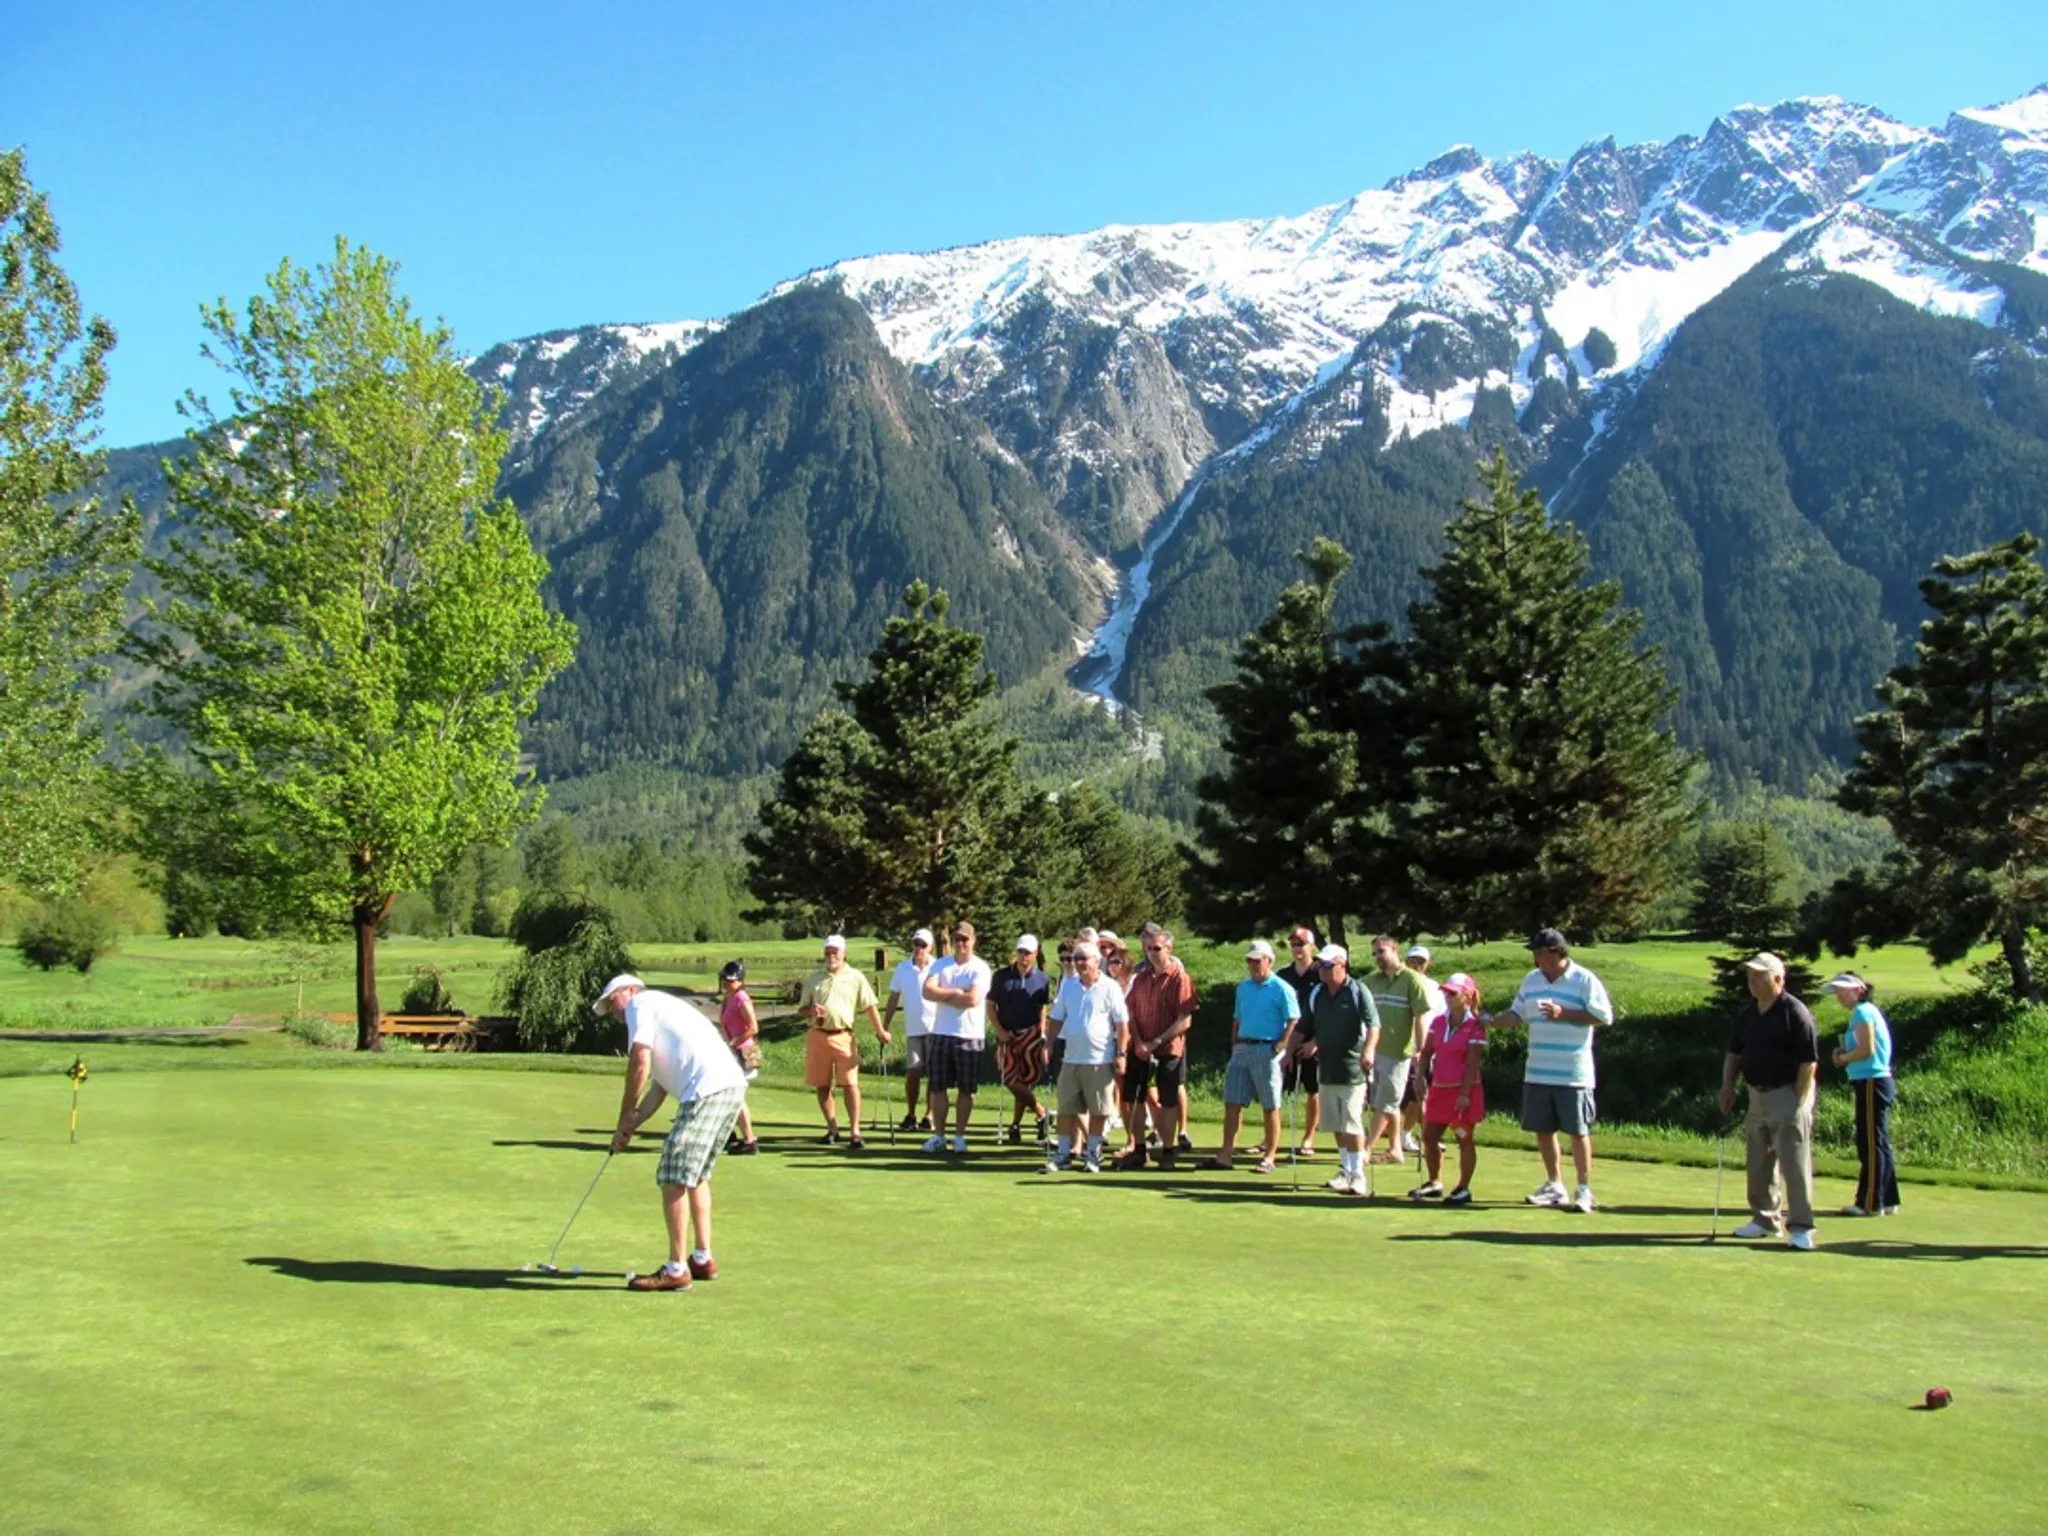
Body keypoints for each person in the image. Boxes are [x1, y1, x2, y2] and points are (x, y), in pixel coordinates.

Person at [596, 974, 749, 1292]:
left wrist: (623, 1114)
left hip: (708, 1089)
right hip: (730, 1086)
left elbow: (639, 1062)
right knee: (695, 1175)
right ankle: (702, 1258)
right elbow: (659, 1088)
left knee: (673, 1174)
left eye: (613, 1001)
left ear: (631, 990)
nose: (613, 1012)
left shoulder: (642, 1003)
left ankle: (677, 1268)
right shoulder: (661, 1010)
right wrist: (632, 1123)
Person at [1487, 928, 1613, 1213]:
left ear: (1557, 952)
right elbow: (1517, 1014)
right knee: (1543, 1130)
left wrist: (1564, 1014)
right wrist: (1491, 1022)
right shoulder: (1531, 980)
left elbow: (1604, 1017)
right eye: (1535, 952)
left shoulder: (1584, 979)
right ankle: (1555, 1185)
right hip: (1538, 1069)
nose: (1536, 957)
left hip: (1573, 1072)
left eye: (1540, 952)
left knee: (1578, 1132)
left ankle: (1584, 1189)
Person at [1718, 952, 1821, 1250]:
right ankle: (1764, 1219)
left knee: (1794, 1163)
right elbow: (1734, 1053)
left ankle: (1802, 1227)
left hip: (1788, 1093)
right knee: (1759, 1161)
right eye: (1750, 977)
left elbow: (1808, 1063)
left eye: (1759, 977)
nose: (1752, 982)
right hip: (1756, 1094)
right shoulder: (1748, 1013)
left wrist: (1798, 1101)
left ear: (1778, 979)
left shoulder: (1795, 1013)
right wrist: (1727, 1086)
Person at [1203, 939, 1300, 1173]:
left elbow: (1293, 1019)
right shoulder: (1243, 988)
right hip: (1243, 1048)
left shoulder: (1281, 988)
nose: (1253, 965)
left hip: (1267, 1049)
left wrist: (1281, 1046)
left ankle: (1269, 1157)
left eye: (1258, 961)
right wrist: (1235, 1043)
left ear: (1269, 961)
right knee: (1232, 1102)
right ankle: (1226, 1154)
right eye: (1250, 960)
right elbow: (1237, 1019)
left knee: (1270, 1105)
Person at [798, 935, 890, 1151]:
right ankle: (832, 1129)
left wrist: (880, 1031)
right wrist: (810, 1011)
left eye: (835, 952)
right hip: (817, 1034)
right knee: (822, 1085)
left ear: (844, 953)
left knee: (850, 1084)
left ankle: (855, 1132)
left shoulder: (855, 977)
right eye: (828, 952)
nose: (831, 956)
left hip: (844, 1036)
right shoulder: (814, 978)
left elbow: (870, 1006)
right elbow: (801, 1009)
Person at [1116, 927, 1197, 1170]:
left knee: (1168, 1099)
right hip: (1140, 1048)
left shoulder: (1179, 978)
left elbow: (1185, 1019)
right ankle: (1139, 1149)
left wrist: (1156, 1042)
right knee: (1134, 1098)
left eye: (1157, 949)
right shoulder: (1140, 978)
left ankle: (1168, 1150)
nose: (1152, 953)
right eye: (1148, 948)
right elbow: (1130, 1013)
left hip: (1168, 1049)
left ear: (1169, 949)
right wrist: (1139, 1041)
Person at [1046, 941, 1130, 1173]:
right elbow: (1056, 1018)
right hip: (1071, 1058)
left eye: (1084, 958)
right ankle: (1063, 1154)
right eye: (1076, 959)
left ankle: (1092, 1154)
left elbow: (1122, 1024)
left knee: (1098, 1111)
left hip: (1099, 1059)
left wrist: (1121, 1053)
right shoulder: (1069, 986)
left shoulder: (1110, 987)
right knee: (1066, 1109)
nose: (1080, 963)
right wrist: (1049, 1044)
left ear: (1097, 961)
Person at [1304, 944, 1379, 1196]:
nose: (1322, 970)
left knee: (1352, 1124)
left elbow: (1374, 1025)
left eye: (1327, 965)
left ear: (1341, 964)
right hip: (1326, 1068)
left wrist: (1368, 1051)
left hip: (1353, 1069)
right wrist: (1287, 1055)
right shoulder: (1317, 993)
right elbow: (1306, 1026)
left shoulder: (1358, 991)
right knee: (1335, 1124)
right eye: (1320, 966)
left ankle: (1359, 1176)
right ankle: (1346, 1169)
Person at [1824, 971, 1899, 1217]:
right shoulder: (1864, 1012)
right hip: (1872, 1081)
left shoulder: (1863, 1012)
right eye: (1837, 992)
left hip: (1871, 1080)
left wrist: (1841, 1058)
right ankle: (1886, 1199)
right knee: (1878, 1141)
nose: (1839, 996)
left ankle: (1870, 1202)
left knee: (1870, 1143)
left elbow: (1866, 1050)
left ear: (1858, 990)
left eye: (1842, 991)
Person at [1413, 972, 1486, 1204]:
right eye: (1446, 992)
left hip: (1464, 1092)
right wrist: (1419, 1077)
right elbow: (1426, 1052)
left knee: (1463, 1137)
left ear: (1467, 996)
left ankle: (1463, 1188)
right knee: (1429, 1136)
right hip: (1439, 1090)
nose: (1448, 996)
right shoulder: (1438, 1021)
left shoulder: (1475, 1026)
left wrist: (1465, 1094)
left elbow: (1473, 1061)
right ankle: (1435, 1181)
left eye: (1453, 993)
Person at [921, 922, 994, 1154]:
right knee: (938, 1087)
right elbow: (927, 991)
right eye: (957, 939)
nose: (961, 943)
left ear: (974, 940)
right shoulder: (942, 964)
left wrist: (943, 995)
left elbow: (973, 999)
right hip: (942, 1033)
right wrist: (954, 993)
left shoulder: (980, 968)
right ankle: (939, 1135)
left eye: (965, 939)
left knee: (965, 1089)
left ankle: (959, 1136)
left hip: (969, 1035)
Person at [1363, 936, 1433, 1168]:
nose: (1378, 958)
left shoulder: (1412, 980)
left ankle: (1366, 1148)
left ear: (1395, 950)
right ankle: (1395, 1149)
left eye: (1381, 952)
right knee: (1387, 1103)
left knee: (1386, 1103)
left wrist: (1421, 1050)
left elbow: (1420, 1017)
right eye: (1374, 954)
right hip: (1376, 1051)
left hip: (1400, 1053)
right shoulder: (1373, 981)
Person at [990, 934, 1052, 1145]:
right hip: (1007, 1035)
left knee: (1025, 1081)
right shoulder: (1001, 976)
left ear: (1035, 955)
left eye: (1028, 953)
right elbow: (990, 1006)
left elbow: (1043, 1007)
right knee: (1009, 1078)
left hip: (1031, 1035)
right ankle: (1042, 1113)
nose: (1023, 956)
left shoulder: (1042, 978)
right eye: (1020, 952)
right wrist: (999, 1030)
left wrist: (1042, 1032)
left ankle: (1015, 1126)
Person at [884, 929, 938, 1132]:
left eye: (923, 945)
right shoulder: (903, 968)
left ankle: (930, 1115)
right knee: (913, 1072)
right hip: (913, 1030)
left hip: (935, 1028)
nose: (919, 949)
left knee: (934, 1075)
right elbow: (893, 998)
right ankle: (911, 1114)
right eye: (916, 944)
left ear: (930, 947)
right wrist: (885, 1025)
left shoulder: (938, 967)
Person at [1279, 926, 1324, 1157]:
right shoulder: (1283, 975)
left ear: (1312, 946)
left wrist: (1315, 1041)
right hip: (1287, 1040)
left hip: (1313, 1041)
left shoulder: (1321, 972)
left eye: (1302, 944)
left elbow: (1327, 1012)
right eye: (1294, 944)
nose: (1297, 948)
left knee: (1312, 1090)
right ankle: (1270, 1139)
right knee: (1278, 1089)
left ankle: (1308, 1138)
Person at [1401, 945, 1448, 1155]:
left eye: (1420, 961)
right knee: (1413, 1097)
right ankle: (1420, 1138)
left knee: (1421, 1095)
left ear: (1428, 964)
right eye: (1412, 960)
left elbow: (1443, 1019)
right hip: (1404, 1049)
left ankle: (1412, 1135)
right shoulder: (1399, 983)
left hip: (1429, 1050)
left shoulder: (1435, 988)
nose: (1416, 964)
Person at [717, 960, 761, 1154]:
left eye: (730, 980)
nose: (726, 983)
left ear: (739, 981)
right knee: (727, 1093)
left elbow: (753, 1028)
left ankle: (749, 1140)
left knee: (735, 1095)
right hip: (732, 1052)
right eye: (725, 979)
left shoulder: (741, 997)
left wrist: (734, 1042)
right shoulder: (729, 998)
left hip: (745, 1053)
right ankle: (729, 1134)